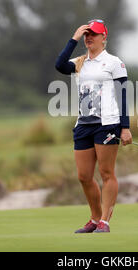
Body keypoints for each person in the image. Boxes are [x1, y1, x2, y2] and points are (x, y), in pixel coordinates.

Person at [55, 19, 133, 233]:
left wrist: (125, 127)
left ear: (104, 38)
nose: (89, 37)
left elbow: (123, 95)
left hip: (107, 123)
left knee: (106, 173)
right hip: (84, 124)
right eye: (87, 34)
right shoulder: (80, 62)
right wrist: (74, 38)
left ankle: (105, 222)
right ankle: (95, 218)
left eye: (94, 34)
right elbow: (60, 65)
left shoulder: (114, 62)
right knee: (83, 176)